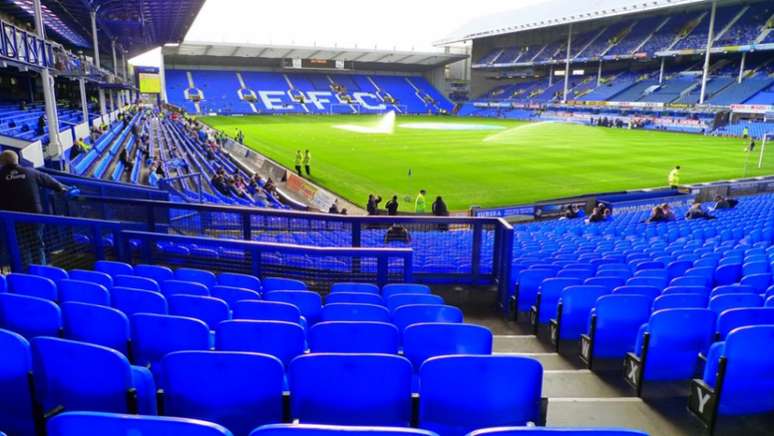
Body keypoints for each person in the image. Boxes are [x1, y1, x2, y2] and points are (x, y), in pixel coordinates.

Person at [0, 150, 72, 265]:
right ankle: (40, 270)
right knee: (37, 244)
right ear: (17, 160)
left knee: (22, 246)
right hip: (34, 215)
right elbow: (49, 180)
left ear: (2, 163)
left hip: (13, 218)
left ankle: (28, 273)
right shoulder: (30, 172)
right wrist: (62, 188)